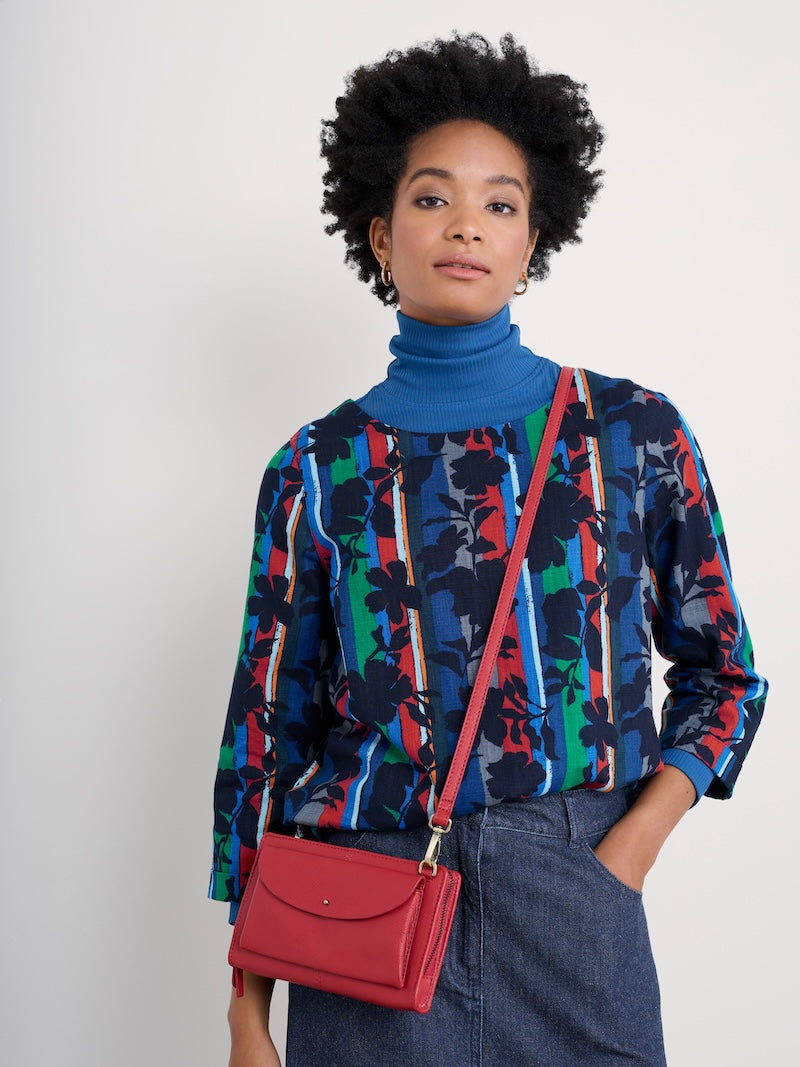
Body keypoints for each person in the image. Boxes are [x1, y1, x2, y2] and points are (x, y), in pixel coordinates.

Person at [210, 33, 767, 1067]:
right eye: (430, 198)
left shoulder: (630, 432)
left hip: (573, 895)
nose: (465, 222)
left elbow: (723, 675)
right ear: (377, 233)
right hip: (360, 906)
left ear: (531, 237)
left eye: (499, 203)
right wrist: (247, 1009)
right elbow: (264, 741)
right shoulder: (317, 467)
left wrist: (619, 857)